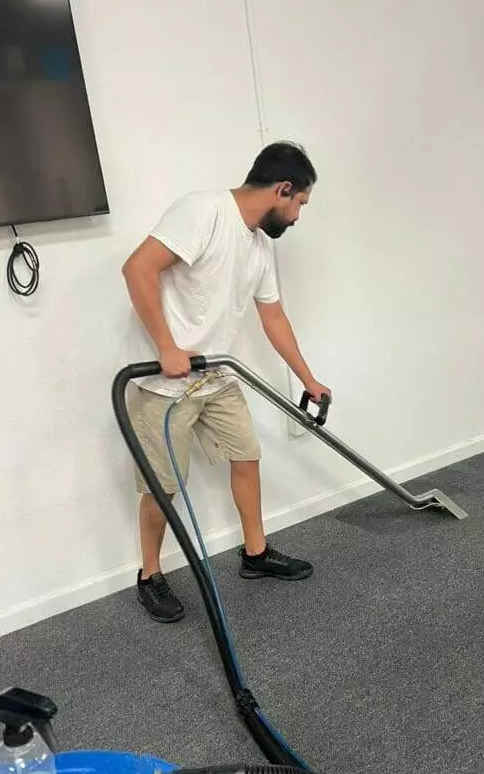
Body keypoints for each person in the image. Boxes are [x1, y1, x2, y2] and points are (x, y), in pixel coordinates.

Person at [122, 142, 330, 624]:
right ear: (283, 188)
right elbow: (138, 268)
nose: (298, 215)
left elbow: (273, 316)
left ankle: (255, 555)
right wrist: (166, 347)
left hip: (216, 375)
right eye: (299, 202)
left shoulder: (258, 246)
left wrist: (309, 378)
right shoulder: (204, 210)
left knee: (247, 457)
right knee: (163, 487)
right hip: (161, 384)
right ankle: (149, 574)